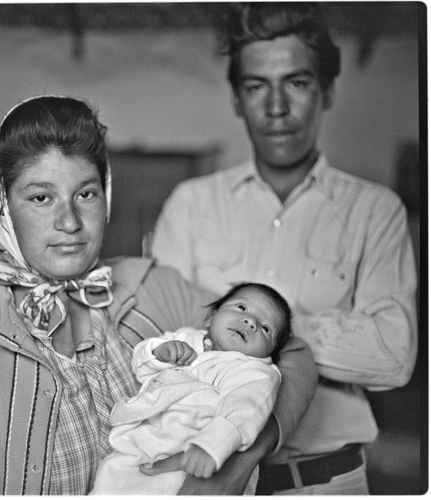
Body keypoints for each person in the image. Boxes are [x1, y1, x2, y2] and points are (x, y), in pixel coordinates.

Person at [0, 95, 317, 495]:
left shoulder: (152, 286)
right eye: (41, 197)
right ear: (2, 209)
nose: (69, 222)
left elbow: (293, 353)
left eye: (85, 194)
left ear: (106, 196)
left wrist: (241, 454)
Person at [151, 3, 418, 495]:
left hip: (326, 484)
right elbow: (157, 331)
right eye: (256, 86)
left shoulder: (377, 211)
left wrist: (257, 323)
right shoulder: (191, 205)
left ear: (327, 91)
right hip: (206, 480)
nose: (276, 107)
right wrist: (321, 332)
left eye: (296, 82)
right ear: (236, 98)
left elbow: (394, 355)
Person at [92, 282, 291, 495]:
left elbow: (246, 407)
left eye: (266, 328)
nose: (251, 322)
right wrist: (158, 353)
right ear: (211, 317)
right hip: (139, 445)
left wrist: (213, 445)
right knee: (109, 481)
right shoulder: (185, 337)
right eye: (242, 308)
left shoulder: (254, 370)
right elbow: (141, 366)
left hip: (198, 455)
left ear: (270, 353)